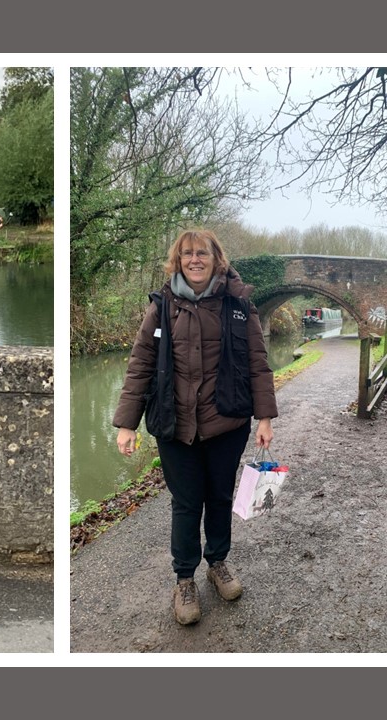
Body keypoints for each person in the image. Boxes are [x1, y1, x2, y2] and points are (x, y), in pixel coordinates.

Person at [113, 229, 277, 626]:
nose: (194, 259)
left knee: (219, 497)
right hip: (175, 424)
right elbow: (140, 365)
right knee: (186, 504)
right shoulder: (161, 306)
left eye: (202, 252)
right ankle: (184, 579)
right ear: (178, 260)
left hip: (227, 421)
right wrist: (126, 424)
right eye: (187, 254)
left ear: (216, 258)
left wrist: (265, 418)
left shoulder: (239, 304)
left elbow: (258, 362)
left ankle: (217, 562)